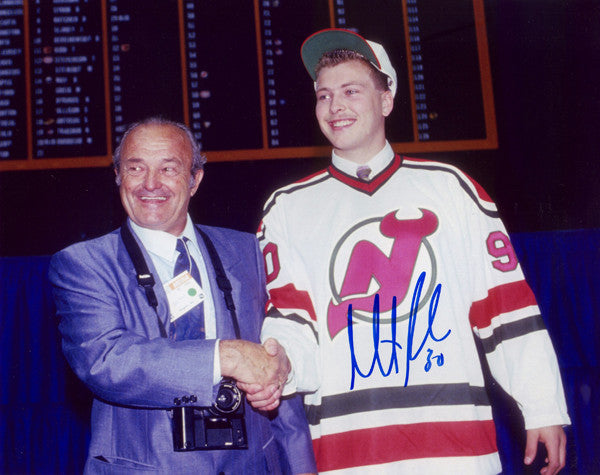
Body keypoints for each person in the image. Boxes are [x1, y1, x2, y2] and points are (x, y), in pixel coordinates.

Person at [254, 28, 571, 474]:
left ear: (386, 100)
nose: (335, 106)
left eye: (351, 90)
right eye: (323, 96)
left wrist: (541, 406)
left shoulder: (452, 188)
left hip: (457, 447)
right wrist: (279, 364)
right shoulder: (287, 208)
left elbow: (504, 306)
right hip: (348, 453)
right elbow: (292, 321)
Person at [49, 117, 316, 474]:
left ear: (195, 180)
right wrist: (224, 357)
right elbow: (106, 361)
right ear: (117, 175)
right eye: (135, 168)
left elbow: (280, 387)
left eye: (169, 168)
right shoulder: (83, 264)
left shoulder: (246, 250)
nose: (150, 184)